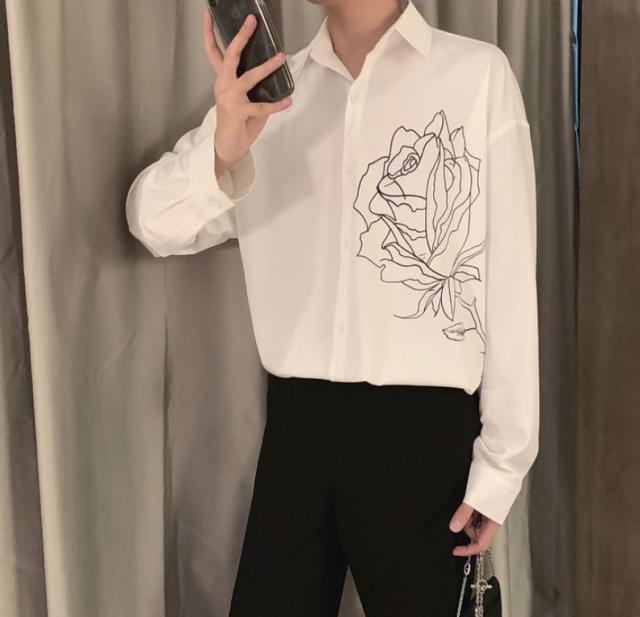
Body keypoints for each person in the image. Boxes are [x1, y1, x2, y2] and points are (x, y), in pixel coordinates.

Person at [125, 0, 539, 614]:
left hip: (424, 441)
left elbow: (509, 278)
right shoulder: (269, 101)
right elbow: (150, 222)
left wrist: (502, 466)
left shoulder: (477, 76)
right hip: (297, 431)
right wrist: (222, 149)